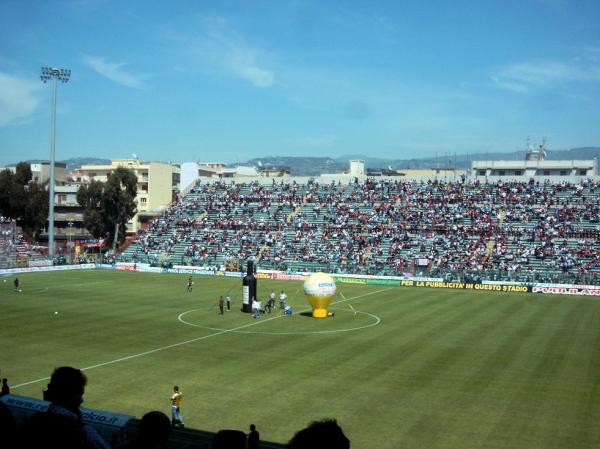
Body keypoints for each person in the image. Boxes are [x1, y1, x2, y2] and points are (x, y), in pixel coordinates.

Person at [19, 366, 111, 449]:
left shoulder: (34, 420)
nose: (82, 401)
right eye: (80, 395)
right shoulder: (83, 433)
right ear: (73, 397)